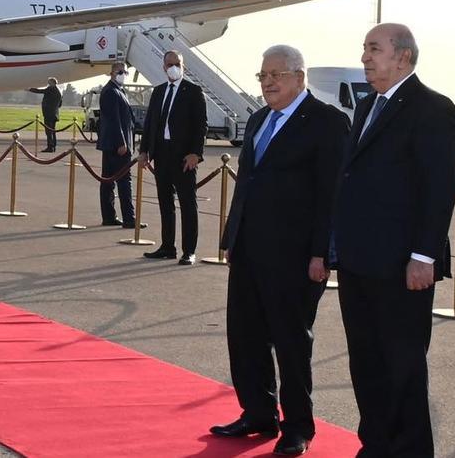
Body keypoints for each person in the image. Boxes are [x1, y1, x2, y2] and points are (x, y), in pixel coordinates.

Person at [209, 45, 349, 456]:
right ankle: (257, 412)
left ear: (299, 77)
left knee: (290, 341)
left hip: (298, 256)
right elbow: (247, 185)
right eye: (263, 75)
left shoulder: (327, 122)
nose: (268, 82)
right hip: (250, 250)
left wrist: (322, 253)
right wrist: (232, 240)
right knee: (245, 335)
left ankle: (298, 426)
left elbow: (332, 194)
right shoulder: (258, 119)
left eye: (277, 75)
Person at [331, 24, 455, 457]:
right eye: (365, 48)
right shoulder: (368, 107)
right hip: (358, 260)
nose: (365, 57)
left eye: (374, 49)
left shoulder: (431, 108)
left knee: (402, 366)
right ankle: (377, 445)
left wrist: (423, 256)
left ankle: (409, 450)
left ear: (402, 57)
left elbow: (437, 189)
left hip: (403, 265)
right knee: (366, 364)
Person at [139, 50, 207, 265]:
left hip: (184, 157)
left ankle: (189, 251)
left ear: (183, 66)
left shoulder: (194, 92)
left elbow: (200, 125)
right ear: (163, 67)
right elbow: (149, 123)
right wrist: (144, 151)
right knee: (165, 202)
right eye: (169, 64)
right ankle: (168, 246)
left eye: (177, 64)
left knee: (187, 203)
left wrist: (196, 153)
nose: (173, 67)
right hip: (161, 153)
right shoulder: (158, 92)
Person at [96, 62, 144, 228]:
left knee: (109, 180)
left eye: (125, 72)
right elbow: (113, 120)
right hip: (117, 144)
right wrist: (121, 142)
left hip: (112, 143)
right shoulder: (111, 91)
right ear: (111, 73)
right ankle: (129, 218)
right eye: (120, 71)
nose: (123, 74)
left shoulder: (116, 90)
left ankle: (109, 216)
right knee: (124, 181)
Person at [27, 77, 63, 152]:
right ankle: (53, 146)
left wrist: (30, 89)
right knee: (53, 131)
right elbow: (60, 104)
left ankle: (50, 147)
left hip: (48, 113)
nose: (48, 83)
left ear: (52, 83)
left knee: (48, 131)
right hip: (54, 114)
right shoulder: (59, 91)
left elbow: (40, 91)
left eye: (49, 82)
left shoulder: (50, 89)